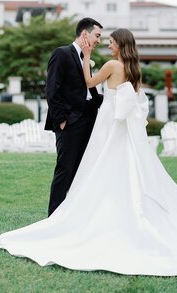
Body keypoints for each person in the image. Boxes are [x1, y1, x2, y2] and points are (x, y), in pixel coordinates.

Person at [0, 28, 177, 276]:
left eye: (111, 41)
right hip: (123, 128)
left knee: (102, 165)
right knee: (124, 166)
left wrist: (87, 58)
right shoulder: (133, 69)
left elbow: (89, 82)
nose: (108, 45)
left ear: (121, 44)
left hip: (111, 125)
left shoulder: (112, 65)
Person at [44, 17, 103, 216]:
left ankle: (73, 218)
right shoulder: (61, 54)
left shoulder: (87, 59)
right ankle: (53, 218)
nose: (99, 41)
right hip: (69, 123)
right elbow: (52, 90)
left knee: (81, 172)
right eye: (97, 35)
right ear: (85, 34)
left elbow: (87, 91)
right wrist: (61, 120)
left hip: (89, 121)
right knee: (65, 171)